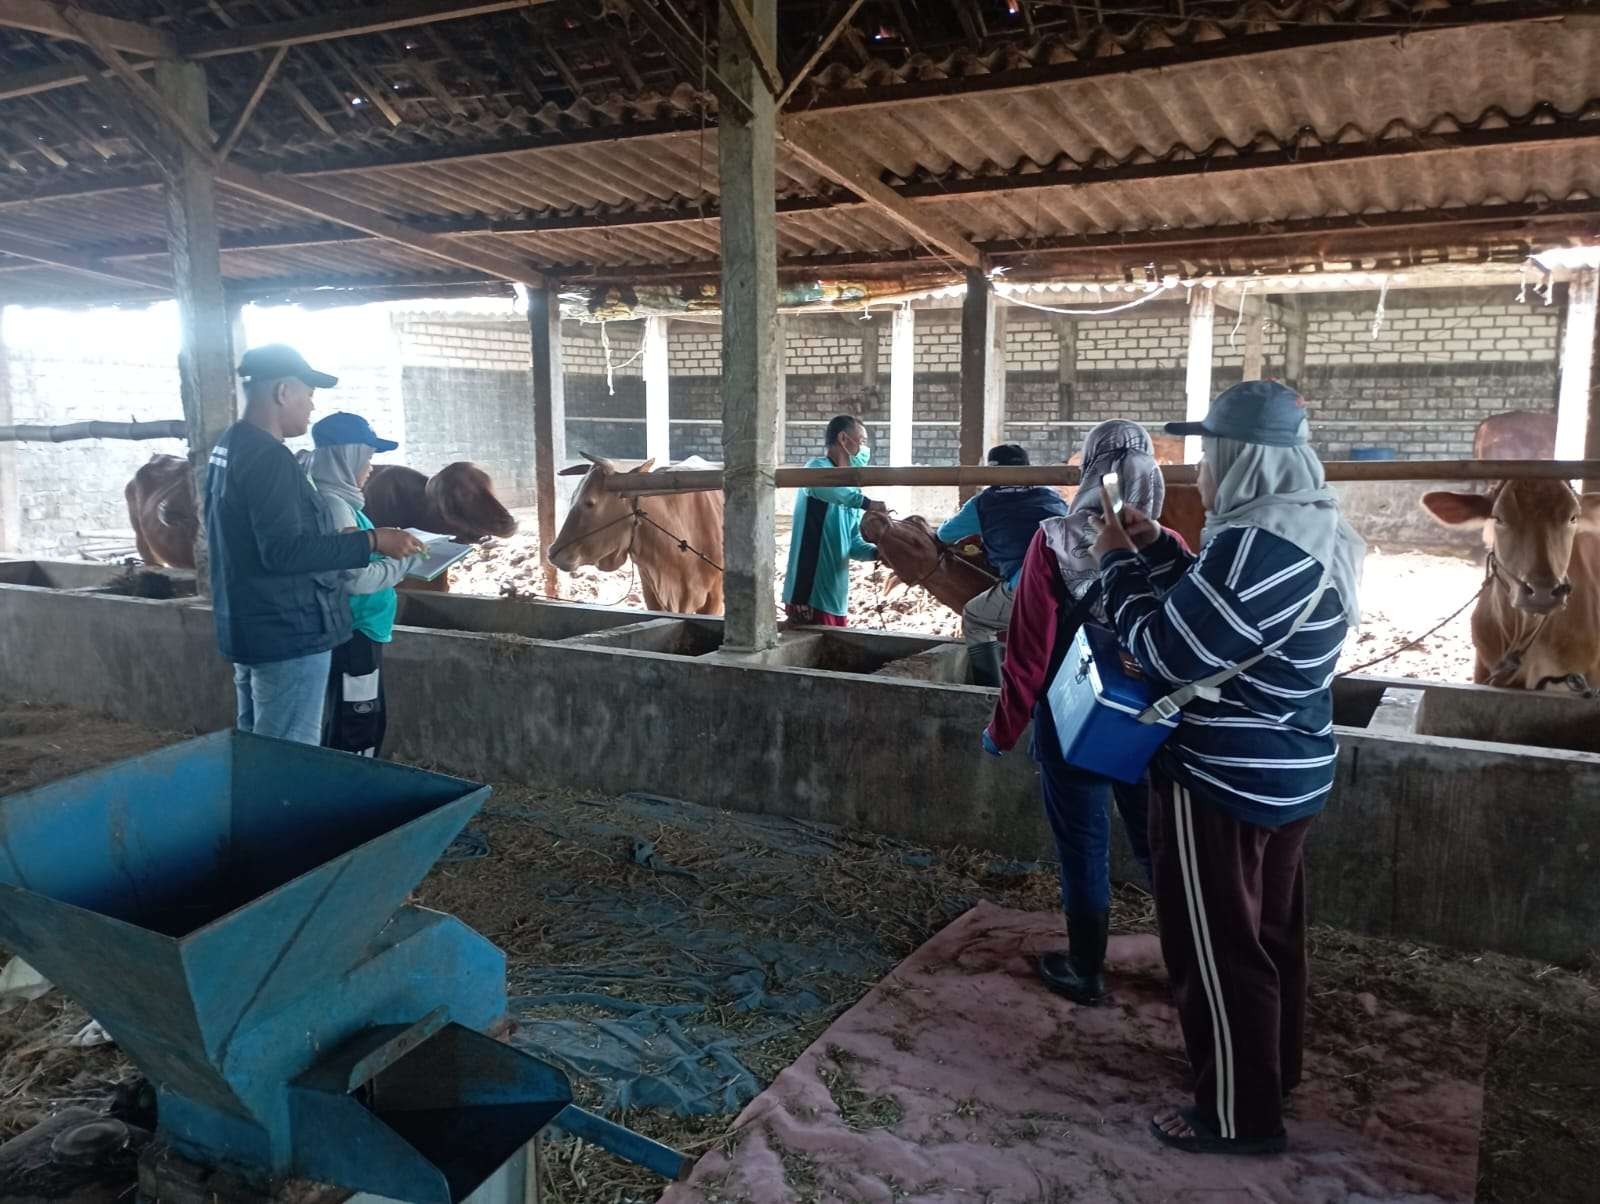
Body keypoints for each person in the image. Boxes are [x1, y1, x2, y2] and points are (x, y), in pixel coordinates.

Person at [1093, 380, 1364, 1156]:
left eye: (1212, 452)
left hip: (1222, 775)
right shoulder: (1307, 527)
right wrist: (1155, 549)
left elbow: (1169, 654)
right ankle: (1270, 1069)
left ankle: (1237, 1116)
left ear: (1241, 458)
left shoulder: (1256, 545)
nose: (1203, 470)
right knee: (1270, 931)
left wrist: (1114, 566)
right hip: (1290, 764)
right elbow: (1224, 622)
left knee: (1214, 944)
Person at [981, 421, 1188, 1004]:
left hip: (1070, 717)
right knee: (1159, 847)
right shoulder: (1169, 547)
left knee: (1081, 843)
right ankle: (1189, 970)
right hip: (1147, 722)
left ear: (1089, 471)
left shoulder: (1051, 542)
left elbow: (1027, 648)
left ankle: (1086, 968)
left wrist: (1003, 728)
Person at [205, 345, 424, 745]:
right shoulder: (270, 458)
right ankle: (282, 808)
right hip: (287, 631)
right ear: (283, 392)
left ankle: (259, 807)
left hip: (250, 622)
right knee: (288, 751)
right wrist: (373, 540)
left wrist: (337, 542)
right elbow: (284, 552)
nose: (310, 406)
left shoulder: (230, 446)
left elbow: (264, 540)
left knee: (257, 744)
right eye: (307, 395)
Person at [305, 413, 421, 757]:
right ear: (347, 457)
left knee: (356, 715)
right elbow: (355, 579)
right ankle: (350, 791)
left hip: (360, 630)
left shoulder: (340, 502)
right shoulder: (335, 506)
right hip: (355, 634)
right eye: (367, 457)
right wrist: (407, 562)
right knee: (357, 723)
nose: (371, 467)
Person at [937, 443, 1069, 685]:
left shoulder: (984, 503)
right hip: (1072, 582)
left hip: (1028, 584)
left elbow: (945, 534)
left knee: (975, 618)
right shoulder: (1051, 495)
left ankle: (989, 693)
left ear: (991, 472)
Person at [782, 414, 887, 627]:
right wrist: (867, 503)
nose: (865, 449)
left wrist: (879, 553)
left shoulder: (852, 491)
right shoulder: (816, 469)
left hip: (835, 599)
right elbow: (837, 493)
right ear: (843, 439)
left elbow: (853, 543)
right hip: (809, 594)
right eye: (862, 441)